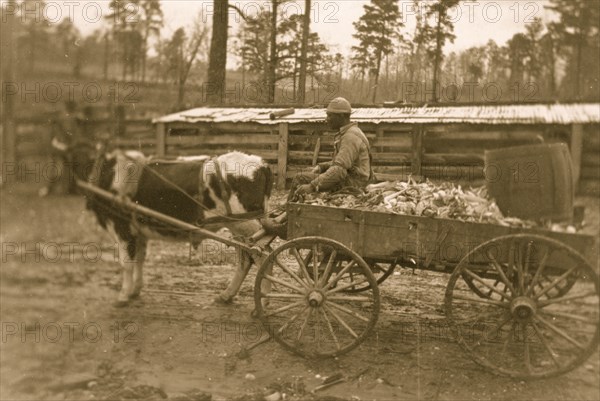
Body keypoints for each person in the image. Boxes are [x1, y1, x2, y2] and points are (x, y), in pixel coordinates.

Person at [261, 97, 373, 237]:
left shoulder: (350, 137)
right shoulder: (350, 133)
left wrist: (313, 186)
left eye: (330, 115)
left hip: (352, 183)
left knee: (301, 179)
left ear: (342, 116)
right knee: (302, 178)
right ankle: (284, 213)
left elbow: (338, 170)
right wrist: (322, 167)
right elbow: (342, 163)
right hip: (351, 178)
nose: (327, 119)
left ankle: (286, 225)